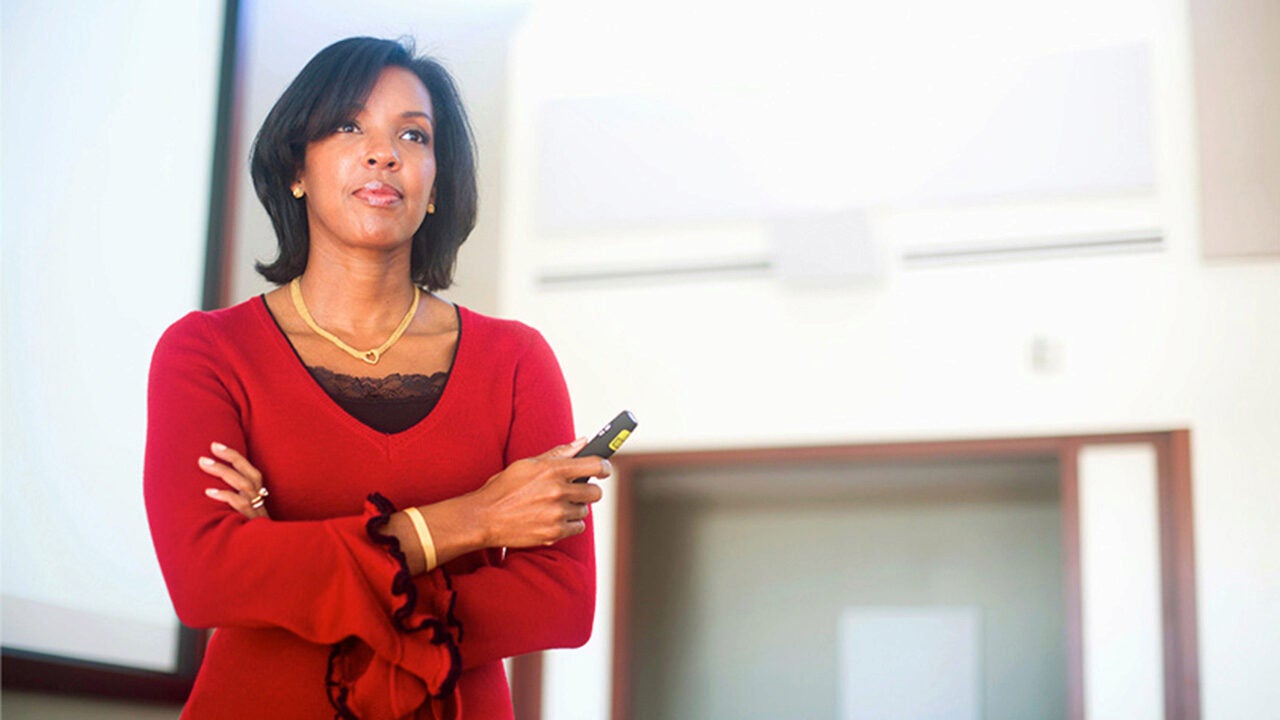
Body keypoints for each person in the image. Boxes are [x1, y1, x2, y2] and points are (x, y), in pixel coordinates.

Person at [144, 37, 608, 719]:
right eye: (348, 125)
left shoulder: (515, 361)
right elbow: (207, 580)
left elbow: (560, 603)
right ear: (295, 166)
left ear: (435, 181)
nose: (383, 151)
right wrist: (476, 520)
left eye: (412, 135)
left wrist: (285, 561)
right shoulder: (207, 353)